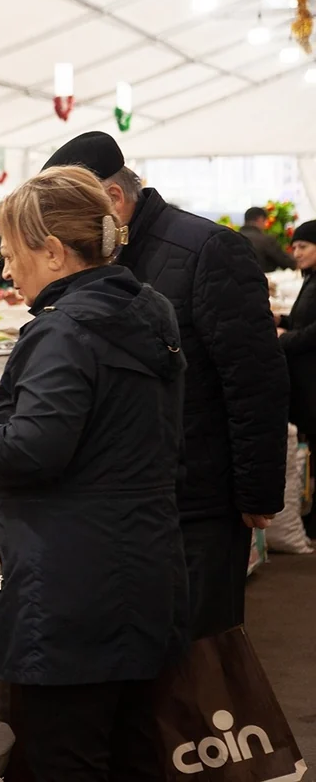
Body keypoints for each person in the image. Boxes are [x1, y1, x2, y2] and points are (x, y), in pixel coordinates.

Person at [0, 166, 189, 781]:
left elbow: (34, 444)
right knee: (132, 749)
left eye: (10, 251)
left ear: (51, 251)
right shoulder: (144, 309)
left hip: (74, 589)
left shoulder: (67, 329)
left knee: (64, 757)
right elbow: (26, 400)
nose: (4, 268)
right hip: (143, 570)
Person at [43, 131, 289, 639]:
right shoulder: (100, 257)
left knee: (199, 654)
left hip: (199, 497)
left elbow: (254, 377)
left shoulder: (209, 249)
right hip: (129, 496)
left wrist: (256, 491)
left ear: (113, 198)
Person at [277, 221, 316, 438]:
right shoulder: (310, 278)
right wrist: (280, 320)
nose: (297, 253)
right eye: (294, 248)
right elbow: (302, 320)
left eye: (303, 246)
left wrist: (284, 338)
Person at [243, 206, 296, 273]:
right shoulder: (265, 240)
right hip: (265, 280)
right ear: (260, 219)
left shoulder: (233, 238)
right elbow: (286, 263)